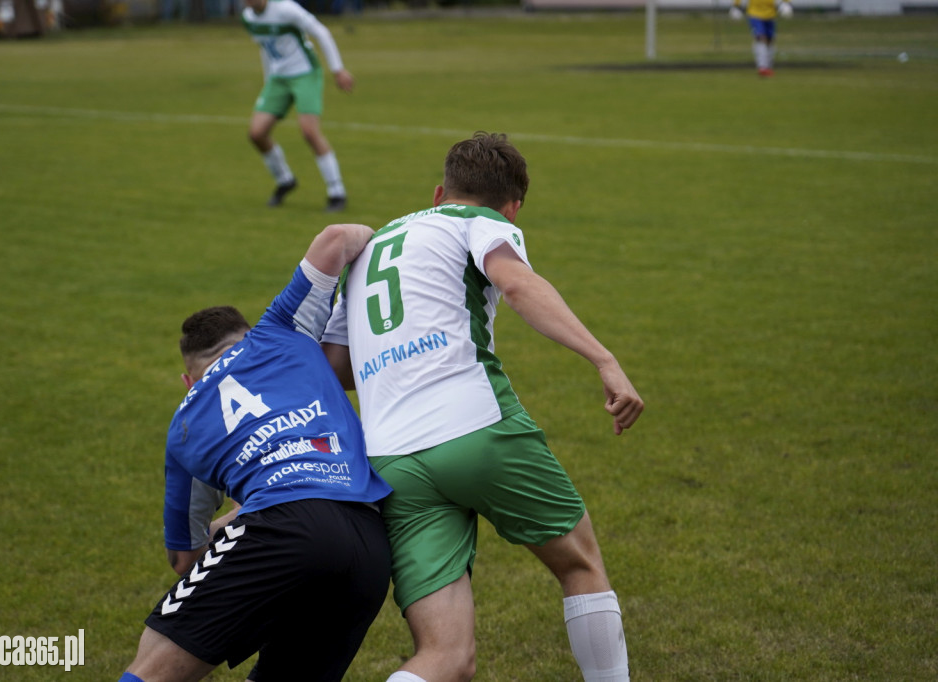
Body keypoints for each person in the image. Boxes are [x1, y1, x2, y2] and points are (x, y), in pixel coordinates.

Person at [321, 132, 644, 682]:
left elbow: (334, 370)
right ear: (513, 208)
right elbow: (517, 285)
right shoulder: (481, 222)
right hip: (477, 428)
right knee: (580, 564)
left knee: (447, 657)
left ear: (439, 190)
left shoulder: (370, 250)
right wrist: (604, 359)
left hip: (392, 461)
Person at [119, 223, 393, 682]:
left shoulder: (184, 427)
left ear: (188, 381)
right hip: (369, 544)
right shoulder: (283, 329)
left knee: (154, 665)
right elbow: (336, 238)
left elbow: (186, 559)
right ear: (246, 337)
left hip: (282, 526)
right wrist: (390, 240)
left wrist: (227, 526)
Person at [241, 0, 354, 212]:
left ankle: (337, 192)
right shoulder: (248, 18)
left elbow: (321, 32)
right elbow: (266, 48)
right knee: (256, 133)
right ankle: (285, 180)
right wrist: (268, 81)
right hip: (278, 78)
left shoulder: (285, 9)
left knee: (309, 131)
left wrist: (338, 70)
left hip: (305, 73)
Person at [730, 0, 793, 77]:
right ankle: (762, 67)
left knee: (770, 40)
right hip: (755, 13)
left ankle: (768, 65)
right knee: (761, 38)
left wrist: (786, 3)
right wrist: (736, 6)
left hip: (771, 14)